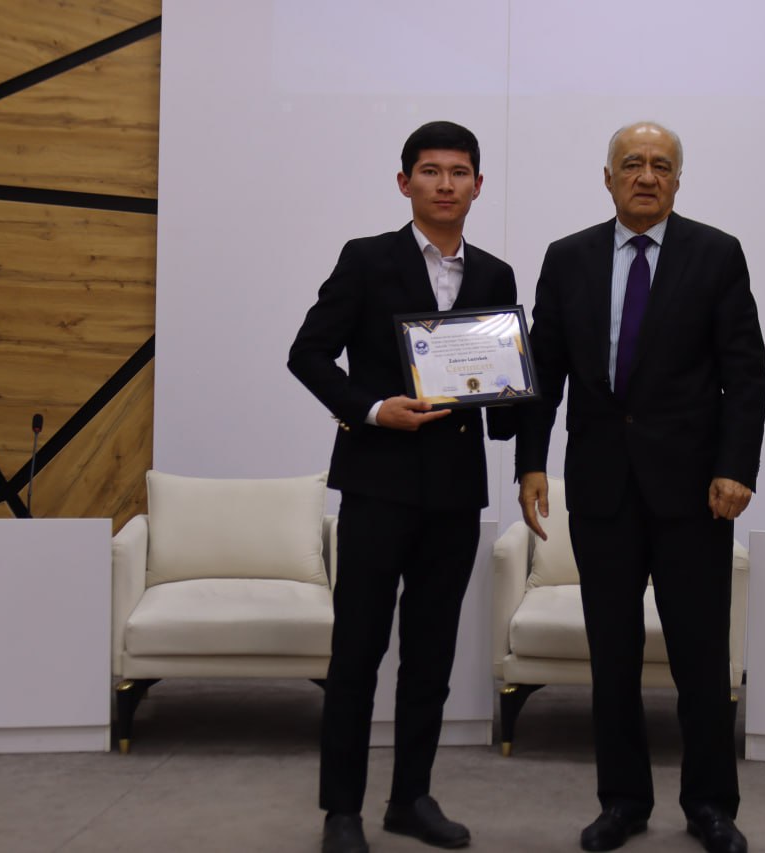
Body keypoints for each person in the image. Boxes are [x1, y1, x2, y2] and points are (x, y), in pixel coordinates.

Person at [516, 122, 765, 853]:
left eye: (661, 165)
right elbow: (543, 371)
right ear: (608, 178)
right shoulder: (567, 258)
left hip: (695, 492)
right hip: (602, 489)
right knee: (613, 655)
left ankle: (711, 804)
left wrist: (737, 466)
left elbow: (745, 372)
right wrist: (531, 461)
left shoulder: (716, 254)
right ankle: (622, 800)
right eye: (632, 164)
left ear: (678, 180)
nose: (647, 176)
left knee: (700, 656)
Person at [289, 121, 517, 853]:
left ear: (478, 186)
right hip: (377, 486)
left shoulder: (495, 275)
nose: (445, 184)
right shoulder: (366, 259)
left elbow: (500, 390)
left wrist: (516, 388)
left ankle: (410, 799)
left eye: (459, 172)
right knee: (357, 651)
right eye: (430, 171)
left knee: (431, 655)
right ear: (404, 183)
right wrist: (371, 408)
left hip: (455, 494)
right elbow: (307, 353)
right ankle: (341, 811)